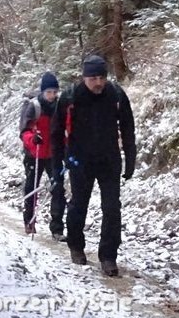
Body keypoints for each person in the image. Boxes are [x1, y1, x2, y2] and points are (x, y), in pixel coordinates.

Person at [50, 54, 135, 277]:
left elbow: (128, 127)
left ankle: (108, 256)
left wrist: (131, 158)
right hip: (80, 160)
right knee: (79, 204)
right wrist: (57, 166)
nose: (98, 83)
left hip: (109, 159)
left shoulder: (115, 94)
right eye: (93, 78)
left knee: (112, 208)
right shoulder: (70, 97)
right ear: (84, 77)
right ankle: (76, 246)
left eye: (102, 77)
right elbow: (56, 133)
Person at [19, 71, 67, 239]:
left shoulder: (60, 107)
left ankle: (57, 229)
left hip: (54, 154)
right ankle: (29, 221)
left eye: (55, 92)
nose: (52, 95)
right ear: (43, 91)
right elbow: (24, 131)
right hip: (35, 153)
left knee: (58, 189)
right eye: (49, 92)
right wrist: (33, 139)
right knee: (32, 187)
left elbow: (64, 130)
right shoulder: (34, 106)